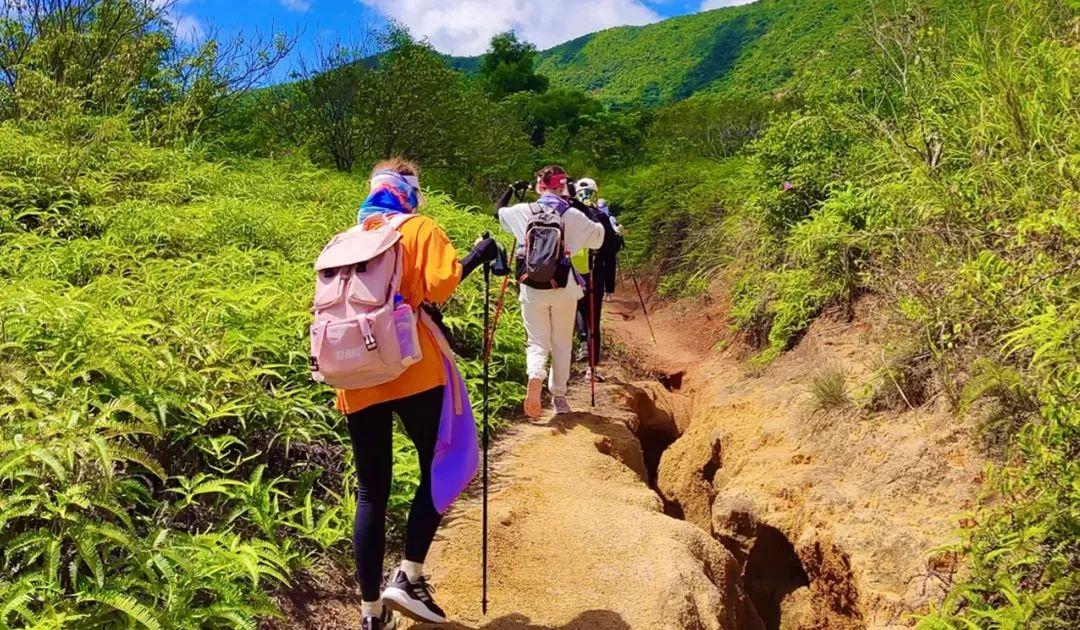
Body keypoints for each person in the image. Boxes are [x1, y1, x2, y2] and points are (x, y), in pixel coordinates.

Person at [336, 158, 499, 630]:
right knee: (439, 460)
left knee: (371, 491)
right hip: (413, 368)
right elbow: (442, 285)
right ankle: (408, 576)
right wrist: (476, 255)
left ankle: (371, 615)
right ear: (409, 191)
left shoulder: (348, 238)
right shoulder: (419, 229)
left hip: (355, 375)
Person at [495, 166, 605, 416]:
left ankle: (535, 376)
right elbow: (599, 238)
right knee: (562, 343)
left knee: (537, 342)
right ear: (564, 186)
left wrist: (511, 190)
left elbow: (497, 213)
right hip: (564, 287)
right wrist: (584, 206)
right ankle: (559, 397)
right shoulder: (574, 214)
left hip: (531, 288)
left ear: (538, 186)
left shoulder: (523, 211)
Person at [570, 178, 620, 381]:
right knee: (593, 321)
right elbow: (611, 250)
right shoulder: (599, 216)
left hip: (567, 275)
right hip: (593, 275)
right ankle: (591, 369)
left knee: (569, 317)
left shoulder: (567, 214)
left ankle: (561, 372)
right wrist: (610, 283)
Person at [596, 198, 624, 300]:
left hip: (607, 248)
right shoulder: (599, 217)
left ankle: (608, 292)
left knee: (608, 269)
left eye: (602, 207)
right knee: (603, 269)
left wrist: (619, 231)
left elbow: (617, 231)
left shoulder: (611, 218)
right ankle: (605, 292)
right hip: (601, 248)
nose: (601, 209)